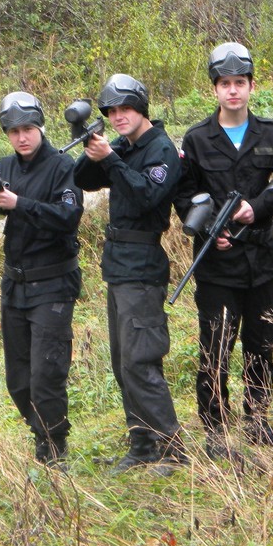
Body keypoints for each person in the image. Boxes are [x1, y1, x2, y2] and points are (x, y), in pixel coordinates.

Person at [174, 42, 273, 460]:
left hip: (260, 260)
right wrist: (209, 227)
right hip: (215, 264)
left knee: (262, 344)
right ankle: (215, 431)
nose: (233, 91)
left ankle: (258, 422)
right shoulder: (197, 138)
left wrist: (257, 208)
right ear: (214, 89)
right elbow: (184, 196)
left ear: (251, 87)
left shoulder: (270, 134)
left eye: (240, 83)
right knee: (215, 348)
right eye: (225, 83)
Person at [0, 92, 83, 467]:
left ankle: (53, 444)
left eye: (28, 129)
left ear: (40, 127)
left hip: (54, 283)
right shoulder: (3, 168)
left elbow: (68, 217)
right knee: (19, 378)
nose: (22, 137)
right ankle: (41, 429)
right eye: (14, 132)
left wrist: (19, 204)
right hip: (15, 285)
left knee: (47, 372)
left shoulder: (63, 166)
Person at [73, 74, 187, 476]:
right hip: (119, 263)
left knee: (141, 360)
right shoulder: (124, 145)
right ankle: (142, 445)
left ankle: (173, 449)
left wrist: (111, 159)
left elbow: (146, 196)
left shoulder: (161, 149)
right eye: (112, 111)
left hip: (143, 263)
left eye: (126, 108)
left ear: (142, 108)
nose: (118, 117)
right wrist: (91, 148)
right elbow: (83, 180)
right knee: (123, 362)